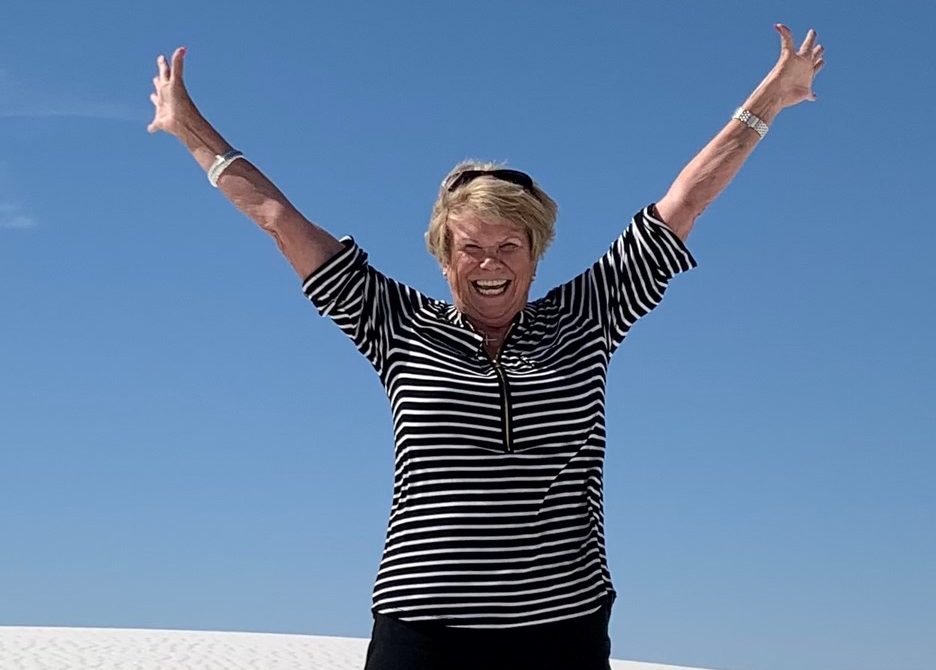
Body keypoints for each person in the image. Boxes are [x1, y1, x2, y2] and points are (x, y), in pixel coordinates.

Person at [148, 24, 824, 670]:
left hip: (561, 630)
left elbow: (686, 201)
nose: (490, 263)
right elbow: (278, 218)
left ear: (535, 252)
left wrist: (773, 97)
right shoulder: (397, 323)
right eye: (471, 247)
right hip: (424, 630)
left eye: (508, 246)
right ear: (445, 256)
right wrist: (188, 128)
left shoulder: (587, 316)